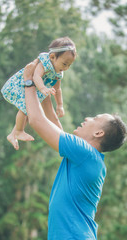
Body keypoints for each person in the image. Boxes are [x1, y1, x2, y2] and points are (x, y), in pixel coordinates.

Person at [23, 59, 127, 240]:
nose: (87, 117)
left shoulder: (84, 154)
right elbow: (55, 127)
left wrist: (29, 82)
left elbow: (36, 121)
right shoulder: (88, 158)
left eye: (94, 117)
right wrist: (44, 90)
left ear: (99, 132)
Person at [1, 36, 76, 150]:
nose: (66, 68)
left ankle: (13, 134)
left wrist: (60, 105)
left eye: (69, 65)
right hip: (21, 86)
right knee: (25, 108)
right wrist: (42, 88)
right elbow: (36, 76)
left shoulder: (58, 71)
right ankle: (19, 131)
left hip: (36, 90)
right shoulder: (44, 63)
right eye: (65, 64)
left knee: (28, 110)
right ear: (52, 57)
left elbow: (58, 89)